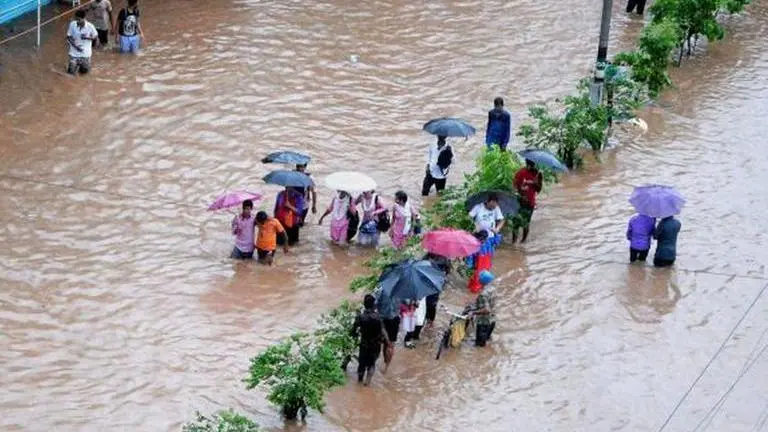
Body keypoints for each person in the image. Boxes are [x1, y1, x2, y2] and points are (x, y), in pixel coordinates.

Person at [351, 294, 390, 385]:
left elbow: (353, 331)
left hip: (364, 344)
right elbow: (383, 331)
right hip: (375, 345)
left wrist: (355, 335)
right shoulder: (378, 317)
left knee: (362, 364)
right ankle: (367, 382)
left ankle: (359, 382)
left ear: (364, 304)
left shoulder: (360, 317)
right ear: (374, 305)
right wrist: (388, 343)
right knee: (372, 364)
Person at [512, 159, 543, 243]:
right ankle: (514, 242)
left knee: (526, 223)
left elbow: (539, 189)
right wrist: (520, 193)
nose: (530, 167)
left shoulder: (538, 174)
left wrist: (533, 183)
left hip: (530, 203)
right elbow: (514, 186)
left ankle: (523, 241)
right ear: (527, 164)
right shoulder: (520, 173)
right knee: (515, 223)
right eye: (529, 165)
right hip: (519, 201)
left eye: (532, 165)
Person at [468, 271, 497, 347]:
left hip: (484, 322)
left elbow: (486, 310)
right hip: (492, 320)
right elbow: (490, 304)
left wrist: (473, 313)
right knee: (486, 340)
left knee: (479, 346)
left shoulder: (483, 294)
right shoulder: (493, 289)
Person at [66, 10, 98, 75]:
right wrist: (75, 46)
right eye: (76, 19)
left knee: (83, 73)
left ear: (84, 18)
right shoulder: (72, 24)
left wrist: (87, 38)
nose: (77, 22)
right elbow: (68, 37)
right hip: (74, 53)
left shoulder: (90, 26)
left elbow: (95, 37)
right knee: (70, 73)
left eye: (79, 20)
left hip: (85, 54)